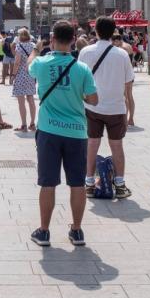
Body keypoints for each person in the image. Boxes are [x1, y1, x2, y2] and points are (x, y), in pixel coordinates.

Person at [27, 21, 99, 247]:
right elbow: (93, 100)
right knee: (77, 183)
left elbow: (29, 66)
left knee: (47, 183)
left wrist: (38, 49)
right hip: (76, 132)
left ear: (52, 39)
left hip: (49, 130)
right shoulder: (82, 69)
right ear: (72, 41)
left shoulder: (41, 62)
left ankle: (44, 231)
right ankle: (77, 231)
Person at [77, 17, 134, 199]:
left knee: (92, 143)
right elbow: (128, 81)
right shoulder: (122, 54)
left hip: (91, 105)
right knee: (117, 145)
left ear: (97, 31)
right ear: (113, 31)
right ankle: (119, 183)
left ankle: (88, 183)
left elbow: (80, 78)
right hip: (116, 107)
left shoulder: (85, 51)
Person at [10, 28, 37, 132]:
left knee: (21, 101)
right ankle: (32, 124)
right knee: (31, 100)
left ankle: (24, 125)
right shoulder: (33, 46)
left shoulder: (19, 47)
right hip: (31, 75)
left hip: (21, 75)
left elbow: (17, 62)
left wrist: (13, 75)